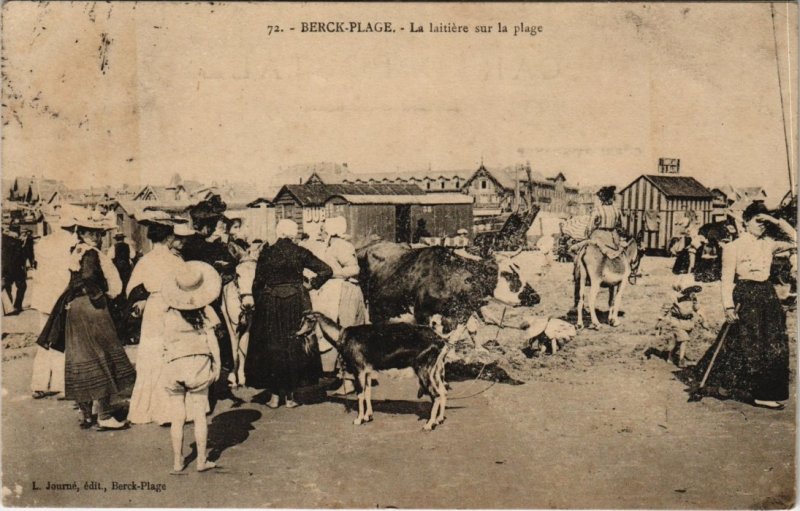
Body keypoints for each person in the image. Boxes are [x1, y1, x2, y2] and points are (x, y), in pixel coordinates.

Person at [692, 201, 797, 410]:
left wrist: (774, 220)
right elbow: (726, 279)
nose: (762, 225)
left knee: (773, 342)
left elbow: (795, 239)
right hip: (745, 294)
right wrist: (728, 307)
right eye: (758, 221)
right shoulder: (733, 247)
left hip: (767, 294)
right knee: (748, 340)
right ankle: (737, 387)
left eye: (764, 222)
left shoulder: (769, 244)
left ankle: (761, 392)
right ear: (746, 222)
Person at [36, 212, 133, 430]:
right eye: (93, 233)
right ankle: (105, 414)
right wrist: (101, 296)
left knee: (80, 358)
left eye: (99, 233)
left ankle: (86, 414)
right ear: (83, 233)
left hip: (76, 308)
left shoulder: (76, 251)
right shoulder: (90, 253)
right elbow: (89, 277)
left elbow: (75, 280)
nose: (98, 237)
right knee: (103, 355)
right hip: (91, 309)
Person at [245, 219, 332, 408]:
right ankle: (291, 397)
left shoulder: (267, 252)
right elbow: (327, 270)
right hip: (295, 302)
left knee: (272, 346)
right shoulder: (300, 252)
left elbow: (257, 282)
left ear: (278, 232)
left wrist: (260, 303)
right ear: (293, 234)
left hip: (271, 303)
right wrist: (311, 284)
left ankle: (275, 397)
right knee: (294, 344)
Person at [126, 221, 191, 425]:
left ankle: (146, 409)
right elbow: (186, 286)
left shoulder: (145, 260)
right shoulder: (177, 261)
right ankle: (171, 410)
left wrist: (144, 299)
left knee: (151, 355)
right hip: (173, 307)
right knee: (172, 354)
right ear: (169, 238)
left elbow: (131, 289)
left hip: (154, 308)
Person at [160, 261, 222, 474]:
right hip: (197, 364)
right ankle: (201, 460)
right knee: (199, 414)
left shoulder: (168, 314)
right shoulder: (206, 312)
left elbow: (164, 342)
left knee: (177, 417)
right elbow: (213, 341)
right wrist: (218, 365)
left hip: (174, 366)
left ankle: (177, 462)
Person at [314, 216, 367, 395]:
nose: (320, 232)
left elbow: (354, 269)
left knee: (346, 335)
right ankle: (348, 378)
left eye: (323, 229)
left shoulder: (341, 246)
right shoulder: (332, 245)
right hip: (340, 292)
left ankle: (349, 382)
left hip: (346, 293)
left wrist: (330, 274)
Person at [29, 216, 77, 399]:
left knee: (44, 340)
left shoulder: (43, 242)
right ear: (74, 227)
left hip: (43, 298)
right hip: (61, 298)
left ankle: (39, 384)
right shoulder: (72, 243)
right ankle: (61, 383)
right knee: (61, 340)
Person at [652, 281, 707, 368]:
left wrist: (696, 304)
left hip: (688, 322)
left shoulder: (692, 296)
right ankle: (681, 360)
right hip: (676, 321)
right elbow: (665, 309)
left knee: (678, 342)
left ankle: (670, 355)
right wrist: (659, 321)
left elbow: (697, 309)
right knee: (684, 340)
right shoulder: (673, 297)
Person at [585, 186, 623, 257]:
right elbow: (621, 226)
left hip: (600, 236)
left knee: (582, 250)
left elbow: (590, 226)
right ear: (612, 198)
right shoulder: (617, 210)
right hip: (614, 238)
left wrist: (588, 235)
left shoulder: (597, 210)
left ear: (602, 199)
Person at [2, 223, 28, 315]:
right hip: (16, 268)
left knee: (7, 286)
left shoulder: (3, 239)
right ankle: (17, 305)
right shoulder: (17, 241)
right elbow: (20, 256)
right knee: (22, 286)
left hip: (5, 268)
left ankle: (8, 307)